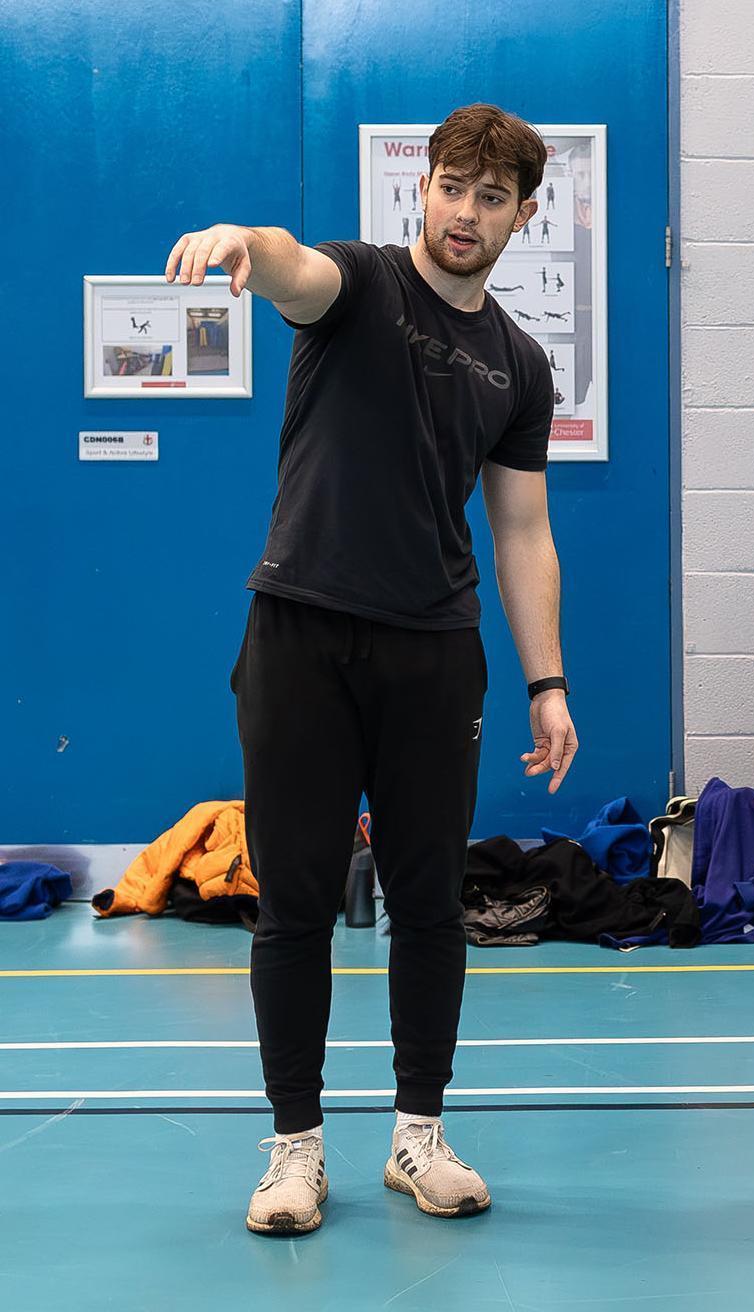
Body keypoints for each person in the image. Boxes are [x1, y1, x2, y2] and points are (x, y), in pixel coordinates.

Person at [164, 102, 578, 1236]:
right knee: (292, 901)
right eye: (453, 187)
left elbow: (524, 531)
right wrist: (245, 247)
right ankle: (294, 1150)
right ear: (424, 188)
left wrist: (546, 683)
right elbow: (294, 270)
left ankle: (417, 1137)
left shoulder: (519, 364)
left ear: (521, 217)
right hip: (299, 630)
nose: (466, 212)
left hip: (435, 653)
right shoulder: (359, 286)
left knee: (431, 904)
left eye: (492, 198)